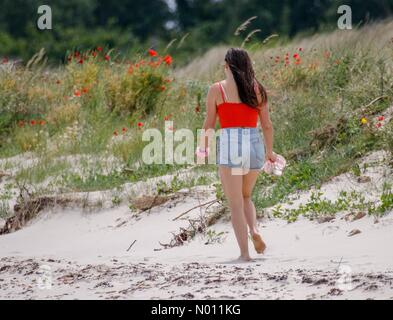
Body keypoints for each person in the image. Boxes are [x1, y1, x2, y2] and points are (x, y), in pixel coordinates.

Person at [196, 48, 277, 261]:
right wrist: (270, 152)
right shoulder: (257, 89)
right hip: (254, 142)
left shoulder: (217, 90)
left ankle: (244, 254)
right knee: (246, 196)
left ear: (227, 66)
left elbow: (209, 123)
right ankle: (255, 231)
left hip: (230, 142)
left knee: (235, 204)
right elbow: (267, 125)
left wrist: (203, 148)